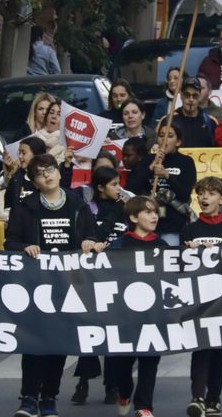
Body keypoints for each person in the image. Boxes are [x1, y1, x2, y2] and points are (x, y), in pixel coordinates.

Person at [5, 154, 101, 417]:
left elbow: (92, 236)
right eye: (39, 173)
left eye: (50, 169)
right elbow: (10, 242)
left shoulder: (78, 205)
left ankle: (49, 397)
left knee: (59, 344)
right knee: (34, 344)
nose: (46, 175)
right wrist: (25, 247)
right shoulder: (24, 207)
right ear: (34, 182)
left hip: (68, 286)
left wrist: (89, 243)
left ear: (59, 172)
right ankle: (28, 398)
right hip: (36, 286)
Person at [182, 177, 222, 417]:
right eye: (201, 193)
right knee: (200, 349)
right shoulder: (190, 230)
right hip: (199, 300)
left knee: (218, 352)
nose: (204, 197)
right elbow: (177, 266)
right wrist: (188, 251)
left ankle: (213, 399)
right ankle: (197, 397)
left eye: (211, 193)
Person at [71, 166, 128, 406]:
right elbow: (92, 234)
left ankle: (111, 384)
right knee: (91, 331)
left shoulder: (124, 208)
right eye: (114, 184)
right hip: (92, 276)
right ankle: (83, 381)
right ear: (101, 187)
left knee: (114, 332)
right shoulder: (88, 209)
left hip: (118, 275)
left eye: (119, 183)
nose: (119, 189)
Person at [110, 196, 168, 417]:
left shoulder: (162, 246)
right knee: (121, 364)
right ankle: (124, 392)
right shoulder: (119, 245)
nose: (154, 216)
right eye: (148, 212)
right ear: (133, 217)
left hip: (153, 316)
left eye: (155, 212)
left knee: (150, 362)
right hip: (125, 318)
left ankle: (144, 406)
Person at [126, 118, 196, 246]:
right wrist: (150, 167)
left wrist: (167, 175)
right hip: (146, 226)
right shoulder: (148, 160)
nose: (164, 140)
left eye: (170, 136)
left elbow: (185, 194)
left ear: (178, 141)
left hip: (172, 226)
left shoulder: (186, 162)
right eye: (161, 135)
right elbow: (132, 189)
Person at [0, 136, 48, 219]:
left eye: (23, 153)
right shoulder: (16, 177)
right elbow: (8, 204)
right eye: (19, 153)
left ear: (36, 154)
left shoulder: (48, 177)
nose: (20, 157)